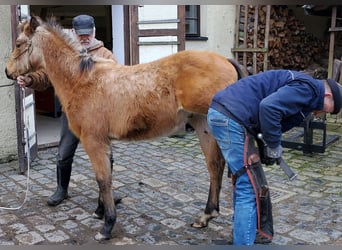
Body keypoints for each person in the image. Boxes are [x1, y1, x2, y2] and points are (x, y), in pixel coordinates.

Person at [207, 69, 342, 245]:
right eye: (330, 110)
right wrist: (273, 145)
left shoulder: (305, 92)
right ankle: (243, 242)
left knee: (243, 179)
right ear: (328, 95)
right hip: (231, 117)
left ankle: (242, 234)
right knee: (248, 186)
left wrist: (266, 146)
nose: (322, 114)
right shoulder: (308, 89)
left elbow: (271, 118)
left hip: (225, 114)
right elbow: (269, 107)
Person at [17, 14, 118, 206]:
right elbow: (45, 77)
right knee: (64, 153)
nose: (85, 38)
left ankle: (106, 194)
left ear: (94, 31)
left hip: (99, 118)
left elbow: (116, 83)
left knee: (106, 156)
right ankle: (61, 190)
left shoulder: (105, 54)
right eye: (81, 34)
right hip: (71, 114)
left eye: (88, 34)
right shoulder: (61, 54)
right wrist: (29, 79)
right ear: (73, 32)